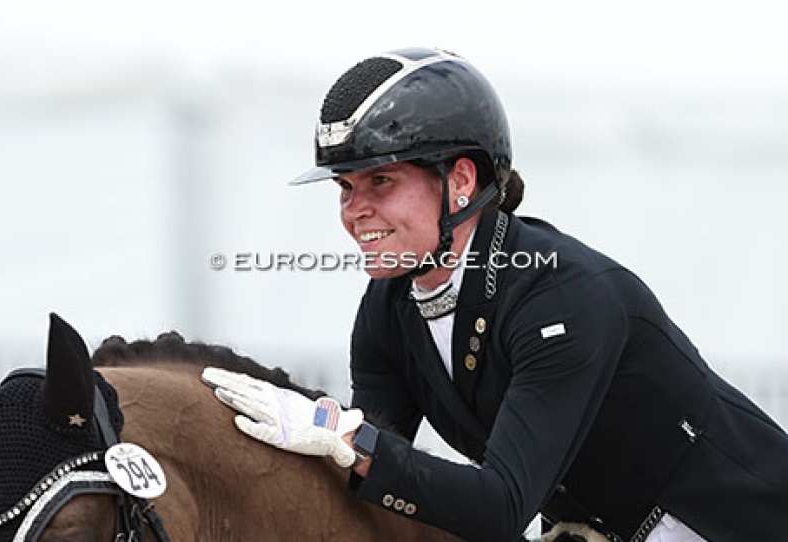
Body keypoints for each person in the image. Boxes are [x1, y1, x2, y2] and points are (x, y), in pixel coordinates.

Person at [201, 47, 788, 541]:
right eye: (345, 188)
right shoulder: (388, 311)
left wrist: (345, 437)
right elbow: (376, 487)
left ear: (459, 182)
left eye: (380, 181)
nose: (355, 212)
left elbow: (501, 506)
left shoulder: (563, 297)